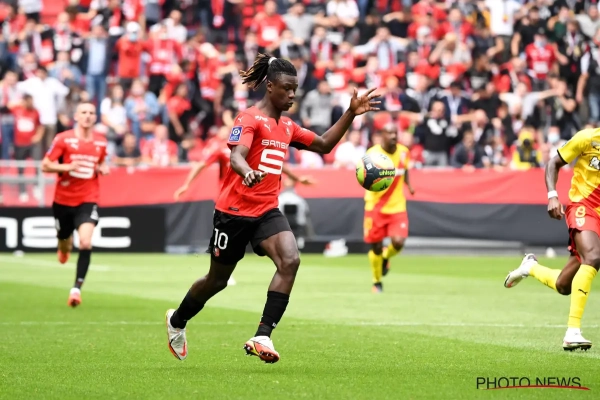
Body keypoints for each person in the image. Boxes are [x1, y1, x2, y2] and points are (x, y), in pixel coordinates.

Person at [165, 53, 380, 363]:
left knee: (290, 260)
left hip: (266, 210)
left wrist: (350, 113)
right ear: (270, 87)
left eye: (295, 90)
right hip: (233, 213)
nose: (292, 95)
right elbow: (236, 156)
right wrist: (246, 172)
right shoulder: (249, 118)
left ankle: (262, 335)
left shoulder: (288, 127)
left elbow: (323, 145)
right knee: (217, 281)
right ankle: (177, 320)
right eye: (287, 89)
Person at [173, 126, 316, 286]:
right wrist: (186, 185)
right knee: (225, 242)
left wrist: (297, 179)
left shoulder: (255, 146)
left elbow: (277, 164)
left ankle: (274, 267)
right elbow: (201, 165)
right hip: (228, 202)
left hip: (252, 201)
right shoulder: (221, 149)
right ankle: (219, 273)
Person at [504, 128, 600, 351]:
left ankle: (530, 267)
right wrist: (552, 195)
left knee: (564, 285)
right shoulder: (588, 138)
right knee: (594, 257)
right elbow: (553, 163)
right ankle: (572, 332)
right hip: (583, 207)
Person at [41, 102, 109, 307]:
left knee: (86, 242)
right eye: (83, 112)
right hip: (63, 200)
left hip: (88, 198)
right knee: (65, 241)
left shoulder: (101, 141)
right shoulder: (63, 139)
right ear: (76, 116)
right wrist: (67, 167)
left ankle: (76, 289)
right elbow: (45, 165)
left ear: (95, 117)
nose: (87, 116)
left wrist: (103, 167)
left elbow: (101, 161)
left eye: (91, 113)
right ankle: (63, 248)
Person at [363, 124, 415, 293]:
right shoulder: (372, 154)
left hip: (397, 206)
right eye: (389, 133)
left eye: (395, 132)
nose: (393, 136)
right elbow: (363, 177)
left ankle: (386, 256)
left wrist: (409, 185)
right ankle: (376, 281)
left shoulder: (404, 152)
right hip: (375, 206)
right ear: (382, 135)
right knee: (376, 247)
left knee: (398, 243)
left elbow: (404, 170)